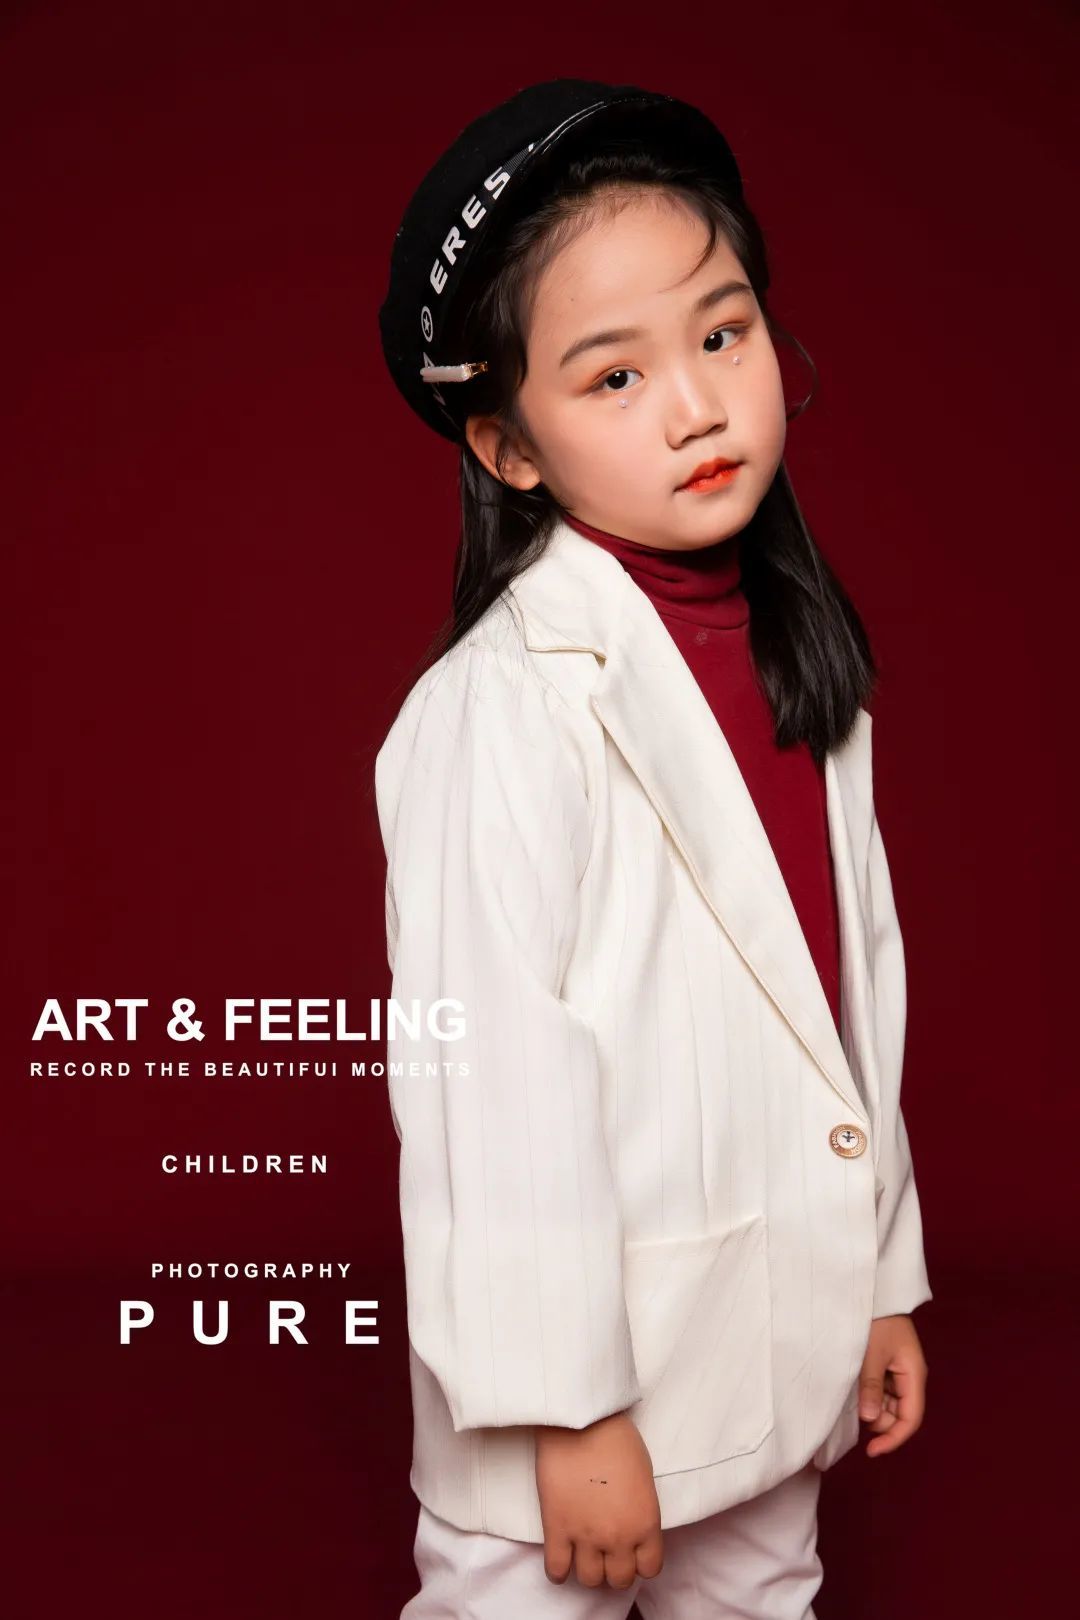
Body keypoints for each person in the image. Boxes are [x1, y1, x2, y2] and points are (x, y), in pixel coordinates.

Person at [373, 79, 931, 1619]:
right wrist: (569, 1412)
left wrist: (880, 1280)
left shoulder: (805, 664)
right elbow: (489, 1085)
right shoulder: (502, 707)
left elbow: (850, 1007)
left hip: (772, 1321)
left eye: (722, 335)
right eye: (614, 376)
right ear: (509, 445)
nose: (695, 406)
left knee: (764, 1596)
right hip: (582, 1390)